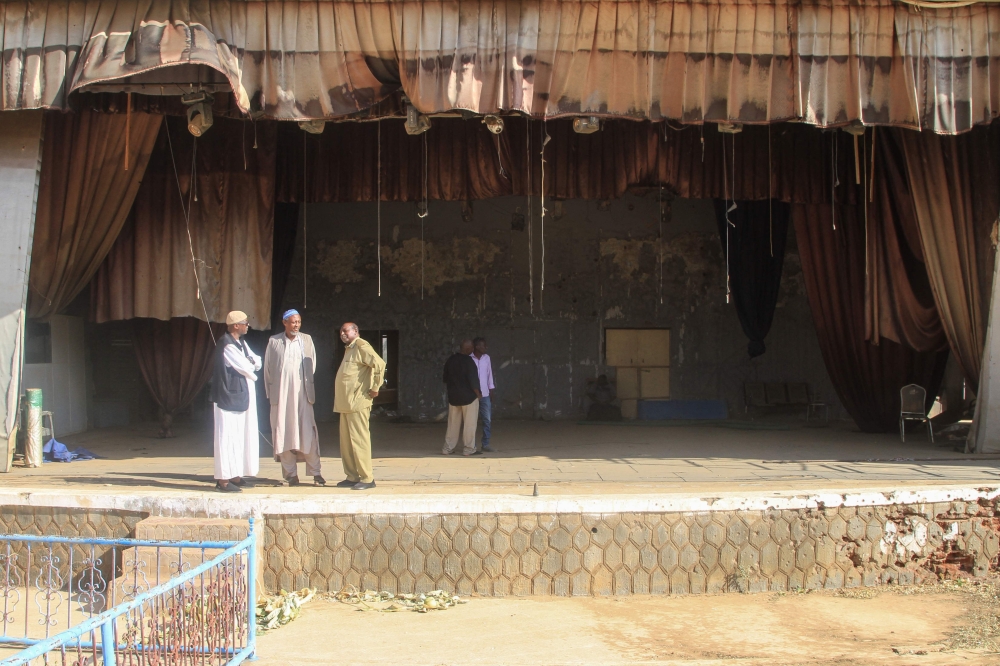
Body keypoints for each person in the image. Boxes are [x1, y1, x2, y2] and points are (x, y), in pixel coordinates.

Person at [264, 309, 325, 487]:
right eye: (293, 322)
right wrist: (275, 391)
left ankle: (316, 473)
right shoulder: (274, 341)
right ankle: (290, 475)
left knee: (308, 433)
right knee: (283, 433)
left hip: (302, 395)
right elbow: (268, 369)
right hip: (281, 397)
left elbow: (311, 364)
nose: (296, 325)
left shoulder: (306, 340)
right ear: (285, 322)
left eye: (298, 322)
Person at [209, 311, 262, 493]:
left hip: (239, 396)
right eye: (245, 323)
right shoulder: (227, 344)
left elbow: (257, 362)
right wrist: (250, 363)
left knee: (239, 436)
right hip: (227, 398)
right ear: (236, 325)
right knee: (227, 438)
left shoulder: (241, 343)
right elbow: (247, 367)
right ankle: (223, 481)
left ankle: (235, 475)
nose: (248, 325)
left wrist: (251, 363)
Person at [333, 322, 385, 490]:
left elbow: (379, 364)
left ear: (356, 331)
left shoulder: (361, 346)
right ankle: (352, 476)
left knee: (359, 441)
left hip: (358, 402)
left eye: (346, 330)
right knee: (346, 444)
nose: (343, 333)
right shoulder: (349, 349)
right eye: (341, 331)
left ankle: (367, 478)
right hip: (345, 404)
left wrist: (376, 387)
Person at [443, 340, 482, 456]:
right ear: (469, 349)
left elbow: (445, 379)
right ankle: (469, 449)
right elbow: (473, 381)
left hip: (454, 397)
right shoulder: (469, 361)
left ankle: (447, 448)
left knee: (452, 424)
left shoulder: (450, 360)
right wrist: (478, 394)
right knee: (469, 424)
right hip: (469, 398)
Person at [470, 337, 496, 452]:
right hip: (472, 395)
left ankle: (485, 444)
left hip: (485, 394)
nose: (485, 347)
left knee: (487, 419)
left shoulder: (487, 358)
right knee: (472, 421)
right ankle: (472, 445)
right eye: (483, 345)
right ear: (476, 346)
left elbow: (489, 374)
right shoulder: (469, 358)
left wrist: (491, 389)